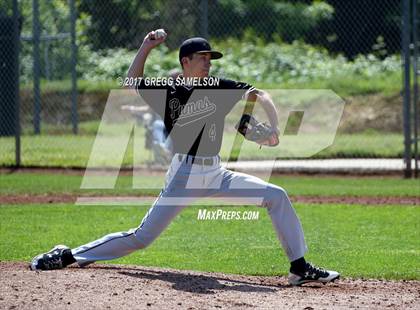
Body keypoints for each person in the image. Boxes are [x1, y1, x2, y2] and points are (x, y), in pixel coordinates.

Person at [30, 30, 339, 286]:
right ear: (185, 61)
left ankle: (299, 267)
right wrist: (146, 46)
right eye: (203, 58)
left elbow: (259, 94)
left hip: (217, 174)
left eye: (210, 58)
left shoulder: (218, 87)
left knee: (276, 196)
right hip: (183, 176)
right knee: (141, 238)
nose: (208, 63)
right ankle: (68, 255)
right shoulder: (168, 90)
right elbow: (131, 81)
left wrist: (271, 126)